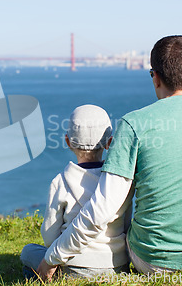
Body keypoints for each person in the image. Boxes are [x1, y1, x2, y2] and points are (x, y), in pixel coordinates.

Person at [37, 35, 182, 280]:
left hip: (154, 262)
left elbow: (102, 208)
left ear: (155, 78)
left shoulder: (134, 124)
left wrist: (52, 257)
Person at [20, 105, 133, 279]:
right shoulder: (118, 182)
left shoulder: (61, 181)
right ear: (109, 143)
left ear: (68, 142)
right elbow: (125, 225)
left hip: (74, 266)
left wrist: (55, 254)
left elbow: (50, 235)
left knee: (28, 251)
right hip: (116, 263)